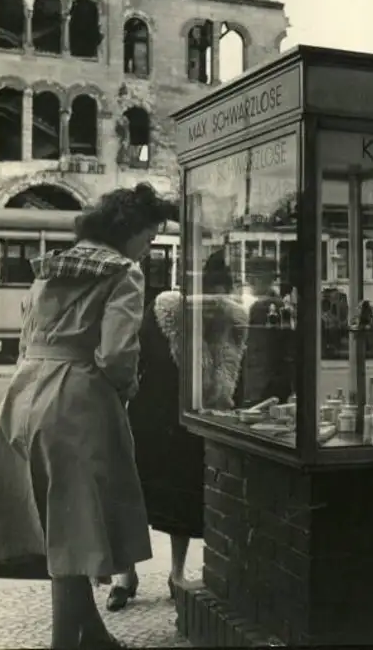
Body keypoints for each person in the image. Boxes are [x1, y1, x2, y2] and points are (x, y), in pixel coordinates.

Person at [0, 183, 173, 649]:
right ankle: (64, 645)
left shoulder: (50, 268)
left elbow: (25, 339)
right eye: (151, 235)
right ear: (131, 230)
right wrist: (125, 388)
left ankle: (93, 634)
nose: (150, 244)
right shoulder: (125, 274)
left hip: (23, 396)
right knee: (76, 527)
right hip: (77, 401)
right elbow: (116, 353)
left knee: (62, 525)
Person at [107, 251, 248, 611]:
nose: (215, 304)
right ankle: (127, 575)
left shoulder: (233, 323)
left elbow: (234, 377)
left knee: (180, 500)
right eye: (210, 296)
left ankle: (175, 574)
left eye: (222, 297)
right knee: (135, 496)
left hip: (190, 426)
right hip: (152, 419)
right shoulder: (163, 315)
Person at [234, 256, 294, 408]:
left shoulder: (261, 307)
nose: (250, 283)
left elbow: (255, 351)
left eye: (252, 279)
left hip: (260, 386)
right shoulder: (280, 304)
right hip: (277, 382)